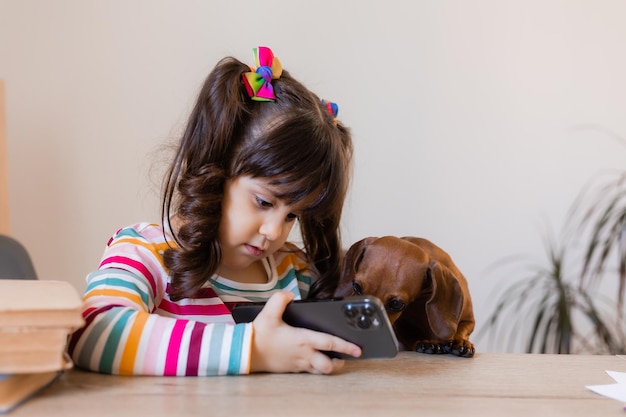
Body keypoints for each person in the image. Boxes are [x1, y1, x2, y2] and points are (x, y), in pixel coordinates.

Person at [67, 46, 360, 376]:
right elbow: (93, 332)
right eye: (264, 202)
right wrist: (253, 350)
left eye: (293, 215)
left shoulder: (295, 271)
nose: (274, 232)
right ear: (217, 171)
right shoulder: (144, 251)